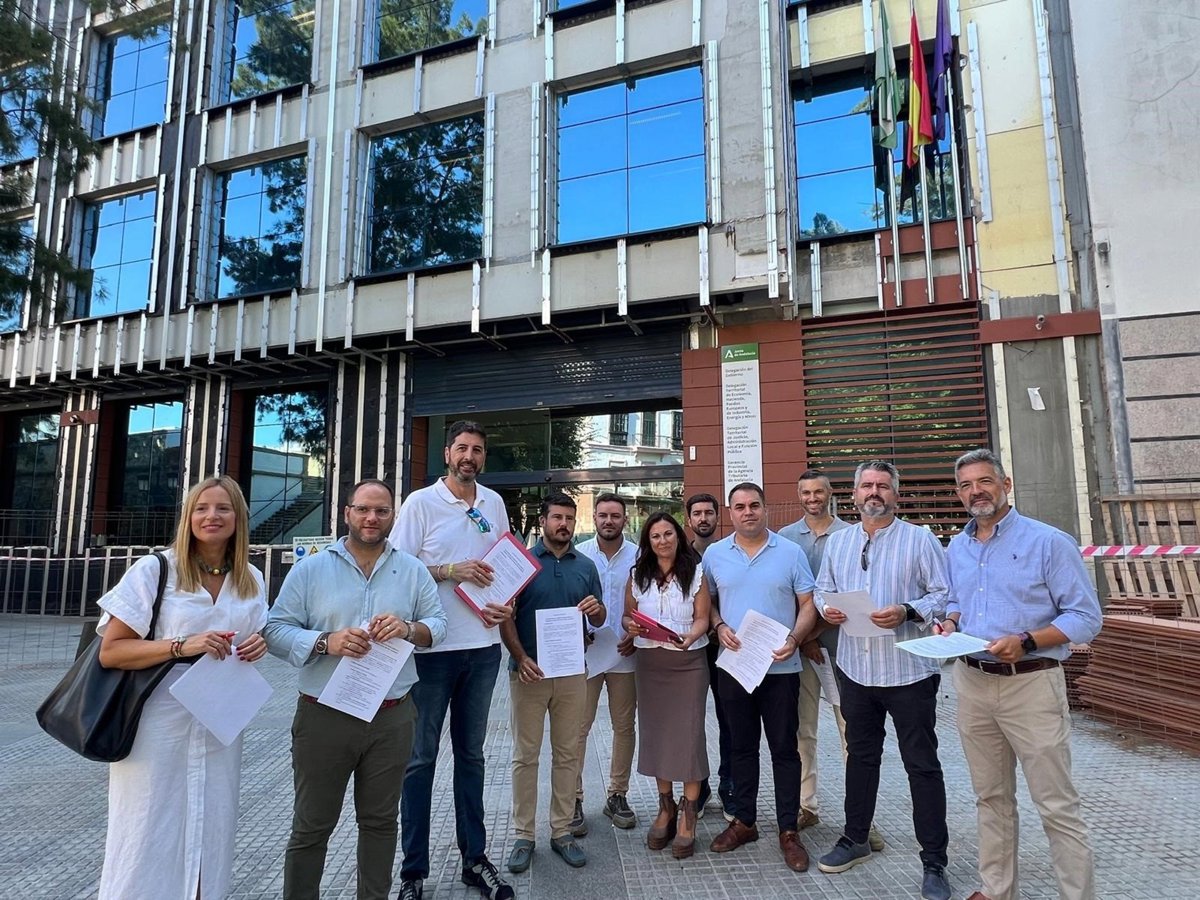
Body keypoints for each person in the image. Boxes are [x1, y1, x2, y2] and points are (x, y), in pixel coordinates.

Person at [264, 480, 447, 900]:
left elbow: (438, 625)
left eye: (381, 511)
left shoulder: (412, 570)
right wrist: (325, 642)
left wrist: (408, 629)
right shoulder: (311, 569)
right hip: (324, 714)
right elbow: (274, 630)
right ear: (346, 513)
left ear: (393, 517)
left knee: (381, 823)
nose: (371, 518)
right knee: (312, 825)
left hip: (391, 716)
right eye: (363, 509)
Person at [95, 475, 269, 900]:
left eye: (223, 508)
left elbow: (251, 635)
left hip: (219, 722)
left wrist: (257, 645)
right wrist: (180, 645)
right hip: (157, 724)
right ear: (188, 517)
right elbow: (111, 652)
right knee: (147, 829)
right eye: (202, 508)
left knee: (213, 829)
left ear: (238, 518)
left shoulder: (251, 577)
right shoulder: (156, 570)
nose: (212, 516)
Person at [941, 449, 1102, 900]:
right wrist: (949, 622)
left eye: (984, 481)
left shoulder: (1048, 542)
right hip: (973, 681)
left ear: (1005, 484)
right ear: (959, 493)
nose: (976, 491)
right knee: (990, 797)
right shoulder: (958, 547)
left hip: (1031, 683)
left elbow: (1086, 618)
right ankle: (997, 890)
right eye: (966, 485)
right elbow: (956, 601)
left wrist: (1028, 641)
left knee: (1056, 805)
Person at [813, 460, 952, 900]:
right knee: (860, 757)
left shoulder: (920, 539)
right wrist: (826, 609)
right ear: (853, 495)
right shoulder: (839, 542)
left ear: (896, 494)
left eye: (882, 486)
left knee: (921, 765)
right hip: (856, 670)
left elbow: (943, 594)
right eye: (867, 486)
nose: (874, 492)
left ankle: (934, 861)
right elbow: (821, 588)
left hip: (908, 671)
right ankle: (856, 838)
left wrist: (908, 611)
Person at [389, 421, 516, 900]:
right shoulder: (420, 503)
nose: (469, 456)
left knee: (472, 757)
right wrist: (448, 570)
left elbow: (506, 567)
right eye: (462, 448)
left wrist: (506, 604)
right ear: (447, 454)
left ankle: (475, 860)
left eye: (477, 450)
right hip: (430, 653)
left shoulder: (494, 503)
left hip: (482, 649)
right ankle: (413, 872)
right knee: (419, 760)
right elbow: (396, 568)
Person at [703, 482, 817, 873]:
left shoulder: (790, 551)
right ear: (730, 512)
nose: (748, 512)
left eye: (754, 505)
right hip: (736, 667)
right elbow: (708, 602)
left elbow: (808, 603)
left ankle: (789, 830)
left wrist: (795, 638)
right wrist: (718, 625)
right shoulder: (715, 554)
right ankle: (744, 821)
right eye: (740, 507)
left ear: (765, 508)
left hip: (781, 667)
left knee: (784, 748)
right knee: (740, 747)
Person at [500, 493, 606, 873]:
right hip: (528, 673)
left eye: (569, 518)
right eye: (557, 517)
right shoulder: (522, 563)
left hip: (572, 673)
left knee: (567, 754)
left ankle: (561, 831)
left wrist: (597, 611)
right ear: (542, 521)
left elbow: (599, 617)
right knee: (525, 756)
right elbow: (505, 616)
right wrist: (520, 658)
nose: (564, 524)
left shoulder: (586, 566)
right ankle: (524, 835)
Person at [779, 469, 884, 850]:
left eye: (818, 492)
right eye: (806, 492)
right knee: (802, 730)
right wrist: (803, 639)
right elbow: (789, 596)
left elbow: (851, 593)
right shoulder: (785, 539)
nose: (812, 498)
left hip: (843, 649)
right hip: (799, 652)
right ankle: (806, 806)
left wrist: (812, 635)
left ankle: (862, 819)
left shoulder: (852, 536)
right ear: (799, 495)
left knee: (852, 735)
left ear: (830, 494)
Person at [623, 512, 711, 859]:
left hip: (688, 662)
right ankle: (666, 807)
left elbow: (703, 618)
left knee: (688, 736)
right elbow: (627, 615)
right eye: (655, 536)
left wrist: (691, 635)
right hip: (650, 663)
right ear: (648, 541)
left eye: (668, 534)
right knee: (657, 735)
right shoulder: (637, 575)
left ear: (678, 536)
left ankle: (689, 813)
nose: (662, 541)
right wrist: (630, 626)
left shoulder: (696, 572)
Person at [572, 493, 639, 836]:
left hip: (626, 652)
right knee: (577, 728)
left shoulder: (639, 556)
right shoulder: (579, 554)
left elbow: (646, 602)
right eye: (603, 515)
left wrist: (636, 636)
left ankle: (617, 794)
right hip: (587, 652)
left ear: (625, 519)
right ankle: (573, 798)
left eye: (615, 515)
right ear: (594, 518)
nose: (609, 521)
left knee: (624, 726)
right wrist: (576, 633)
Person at [685, 491, 731, 819]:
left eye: (708, 512)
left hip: (726, 649)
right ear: (688, 519)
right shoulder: (679, 556)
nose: (703, 518)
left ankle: (729, 786)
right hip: (691, 651)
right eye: (697, 513)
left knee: (730, 719)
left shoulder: (728, 553)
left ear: (718, 516)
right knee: (691, 721)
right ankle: (697, 788)